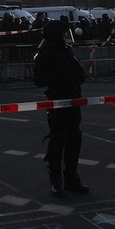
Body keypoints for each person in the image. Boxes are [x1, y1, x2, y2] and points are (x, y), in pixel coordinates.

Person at [33, 20, 89, 197]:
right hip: (58, 99)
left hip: (72, 97)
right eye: (64, 34)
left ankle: (71, 177)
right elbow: (40, 79)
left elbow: (78, 73)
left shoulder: (65, 51)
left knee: (74, 136)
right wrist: (57, 75)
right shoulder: (46, 53)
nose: (67, 37)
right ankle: (55, 179)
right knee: (58, 137)